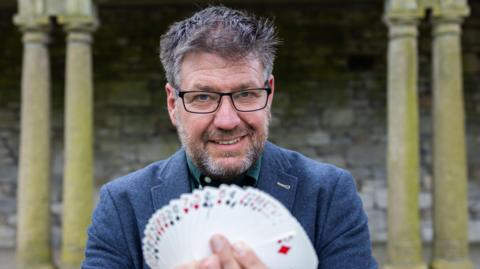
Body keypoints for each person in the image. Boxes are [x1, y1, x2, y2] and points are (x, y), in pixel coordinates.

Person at [82, 5, 377, 269]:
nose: (227, 120)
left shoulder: (329, 195)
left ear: (269, 93)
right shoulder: (122, 206)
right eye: (203, 97)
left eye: (246, 94)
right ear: (173, 104)